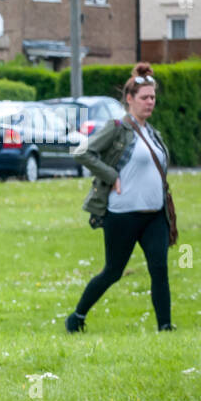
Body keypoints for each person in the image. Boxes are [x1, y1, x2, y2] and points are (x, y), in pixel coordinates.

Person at [67, 63, 175, 332]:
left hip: (155, 216)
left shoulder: (153, 134)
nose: (150, 102)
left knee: (159, 269)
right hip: (123, 215)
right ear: (129, 99)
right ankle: (77, 317)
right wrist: (111, 174)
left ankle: (165, 327)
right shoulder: (117, 128)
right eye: (144, 97)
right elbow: (83, 152)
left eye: (153, 97)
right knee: (113, 271)